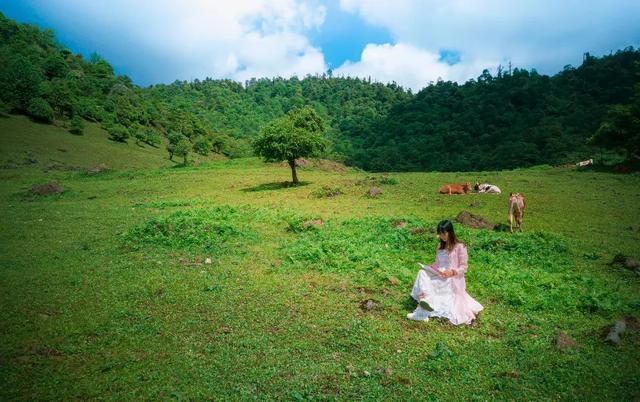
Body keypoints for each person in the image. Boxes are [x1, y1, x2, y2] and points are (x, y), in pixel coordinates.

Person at [407, 220, 483, 325]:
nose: (442, 236)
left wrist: (452, 272)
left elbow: (464, 267)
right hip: (440, 274)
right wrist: (429, 268)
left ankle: (422, 312)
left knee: (433, 283)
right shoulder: (440, 247)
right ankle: (425, 301)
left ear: (450, 232)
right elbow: (438, 264)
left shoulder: (460, 246)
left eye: (444, 233)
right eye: (440, 234)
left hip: (451, 278)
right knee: (422, 272)